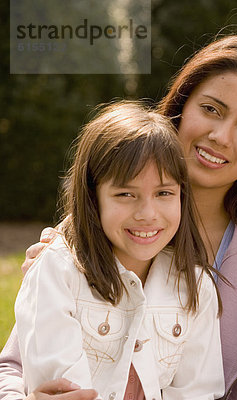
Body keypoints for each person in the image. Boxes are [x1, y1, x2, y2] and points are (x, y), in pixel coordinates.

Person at [0, 36, 237, 400]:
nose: (220, 136)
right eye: (211, 109)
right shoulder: (94, 229)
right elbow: (14, 367)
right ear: (181, 109)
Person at [13, 101, 224, 400]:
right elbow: (66, 390)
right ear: (93, 196)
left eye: (164, 193)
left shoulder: (196, 287)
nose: (147, 213)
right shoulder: (57, 272)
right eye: (126, 194)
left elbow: (197, 392)